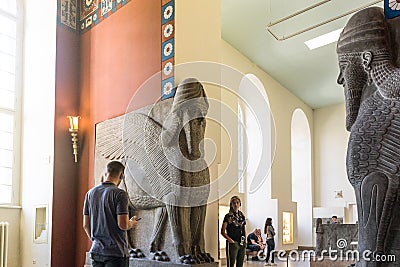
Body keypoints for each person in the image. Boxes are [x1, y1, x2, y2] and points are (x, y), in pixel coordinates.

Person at [83, 161, 138, 267]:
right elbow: (123, 225)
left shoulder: (90, 194)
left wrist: (96, 241)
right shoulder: (120, 194)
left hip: (96, 251)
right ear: (121, 175)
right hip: (116, 253)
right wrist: (132, 223)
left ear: (105, 172)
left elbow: (85, 225)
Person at [221, 196, 246, 267]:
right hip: (232, 243)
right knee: (231, 264)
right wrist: (231, 241)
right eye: (234, 203)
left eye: (237, 203)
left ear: (240, 204)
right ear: (231, 204)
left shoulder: (242, 215)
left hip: (241, 242)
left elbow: (243, 228)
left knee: (240, 263)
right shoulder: (228, 216)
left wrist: (245, 241)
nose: (236, 204)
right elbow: (222, 231)